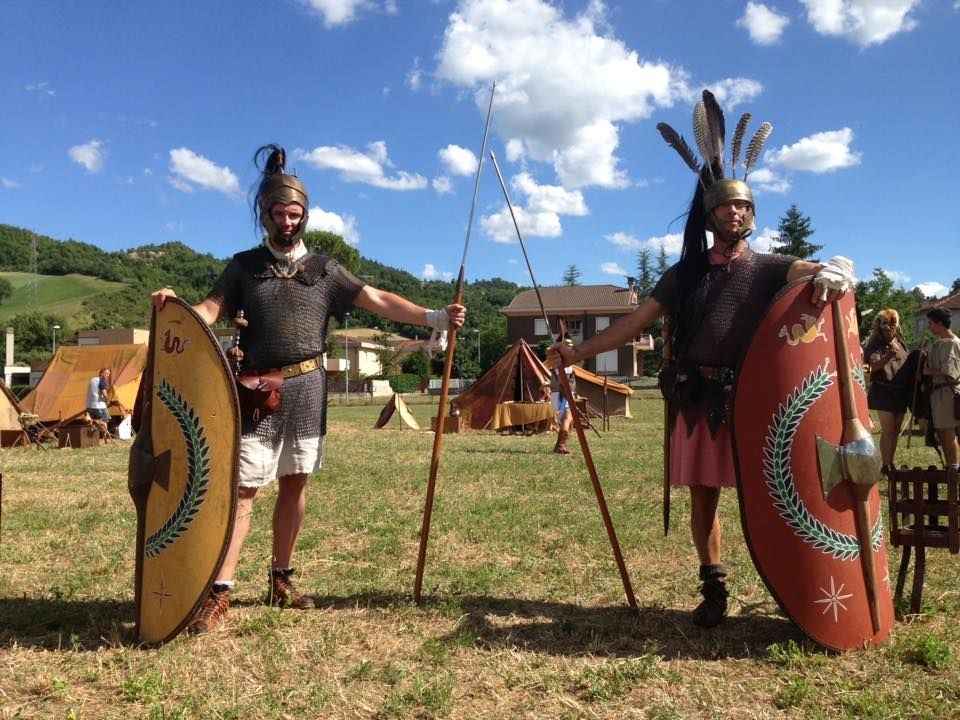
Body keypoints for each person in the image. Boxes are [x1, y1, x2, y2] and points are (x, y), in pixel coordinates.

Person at [548, 90, 854, 628]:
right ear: (709, 214)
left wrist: (835, 269)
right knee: (705, 499)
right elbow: (635, 324)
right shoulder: (684, 274)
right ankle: (713, 588)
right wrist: (579, 353)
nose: (734, 211)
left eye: (742, 204)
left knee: (774, 497)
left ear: (752, 214)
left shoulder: (768, 267)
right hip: (699, 399)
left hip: (759, 403)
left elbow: (811, 271)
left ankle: (792, 585)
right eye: (724, 205)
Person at [150, 144, 465, 634]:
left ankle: (281, 578)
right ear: (266, 214)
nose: (288, 222)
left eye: (295, 214)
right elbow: (209, 309)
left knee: (295, 483)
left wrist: (434, 317)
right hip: (256, 393)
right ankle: (220, 591)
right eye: (279, 213)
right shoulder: (243, 267)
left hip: (308, 390)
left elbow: (377, 298)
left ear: (306, 215)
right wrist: (174, 310)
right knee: (244, 490)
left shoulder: (324, 270)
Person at [863, 309, 912, 471]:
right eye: (885, 327)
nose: (888, 330)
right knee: (888, 429)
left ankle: (890, 462)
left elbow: (908, 364)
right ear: (880, 327)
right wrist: (889, 355)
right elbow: (872, 367)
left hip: (901, 392)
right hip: (883, 392)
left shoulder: (901, 342)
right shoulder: (875, 344)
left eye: (891, 327)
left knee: (896, 430)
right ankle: (885, 465)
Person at [922, 307, 960, 471]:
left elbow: (949, 372)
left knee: (948, 431)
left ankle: (953, 469)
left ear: (939, 323)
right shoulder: (936, 344)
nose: (928, 326)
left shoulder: (953, 343)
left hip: (948, 392)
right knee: (943, 432)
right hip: (937, 392)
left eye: (930, 323)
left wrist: (928, 371)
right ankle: (951, 466)